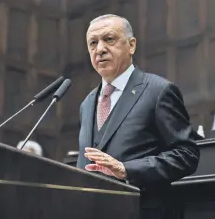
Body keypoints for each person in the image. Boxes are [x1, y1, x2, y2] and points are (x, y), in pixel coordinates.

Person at [77, 14, 200, 219]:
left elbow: (186, 155)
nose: (100, 49)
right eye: (93, 43)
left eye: (109, 39)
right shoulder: (87, 103)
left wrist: (126, 170)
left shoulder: (158, 90)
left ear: (131, 45)